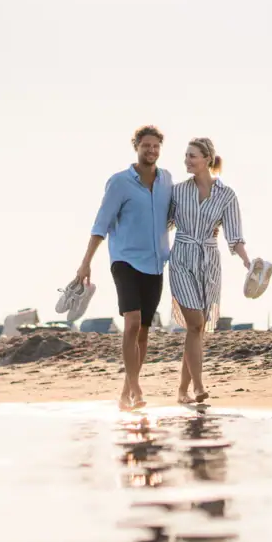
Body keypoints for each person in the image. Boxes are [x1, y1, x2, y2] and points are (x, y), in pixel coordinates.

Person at [75, 125, 173, 410]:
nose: (151, 150)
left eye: (155, 146)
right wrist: (85, 262)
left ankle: (125, 391)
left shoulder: (166, 180)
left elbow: (177, 214)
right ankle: (137, 389)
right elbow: (100, 224)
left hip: (155, 264)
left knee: (143, 330)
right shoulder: (119, 182)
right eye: (146, 145)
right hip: (125, 260)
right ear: (136, 147)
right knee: (131, 323)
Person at [167, 137, 251, 405]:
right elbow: (161, 225)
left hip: (209, 261)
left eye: (192, 156)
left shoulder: (227, 195)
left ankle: (182, 391)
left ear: (206, 159)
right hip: (181, 258)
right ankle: (199, 386)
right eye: (186, 156)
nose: (186, 161)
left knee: (197, 329)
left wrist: (248, 263)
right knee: (195, 324)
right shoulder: (177, 192)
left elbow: (235, 236)